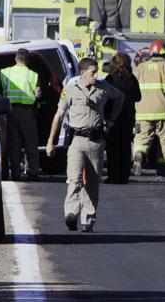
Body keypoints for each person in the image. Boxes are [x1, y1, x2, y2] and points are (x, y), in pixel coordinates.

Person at [46, 58, 123, 232]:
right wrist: (51, 141)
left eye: (97, 72)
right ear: (82, 73)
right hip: (77, 141)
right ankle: (71, 214)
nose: (96, 75)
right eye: (92, 73)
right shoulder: (70, 90)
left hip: (96, 142)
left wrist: (111, 119)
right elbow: (58, 115)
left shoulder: (103, 88)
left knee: (93, 183)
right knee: (74, 179)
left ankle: (88, 219)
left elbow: (120, 97)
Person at [131, 40, 165, 177]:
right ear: (163, 53)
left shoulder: (140, 67)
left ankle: (139, 154)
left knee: (142, 137)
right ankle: (164, 167)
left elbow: (132, 87)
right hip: (162, 111)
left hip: (142, 111)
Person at [0, 48, 41, 181]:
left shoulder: (5, 72)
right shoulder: (33, 75)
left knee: (14, 143)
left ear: (16, 58)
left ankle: (15, 173)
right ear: (27, 60)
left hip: (10, 111)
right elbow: (38, 93)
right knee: (31, 142)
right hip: (27, 112)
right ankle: (33, 172)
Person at [105, 52, 141, 184]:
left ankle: (113, 175)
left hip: (113, 118)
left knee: (112, 148)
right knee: (125, 147)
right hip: (128, 117)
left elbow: (105, 98)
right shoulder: (131, 79)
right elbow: (138, 97)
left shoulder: (110, 79)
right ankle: (124, 176)